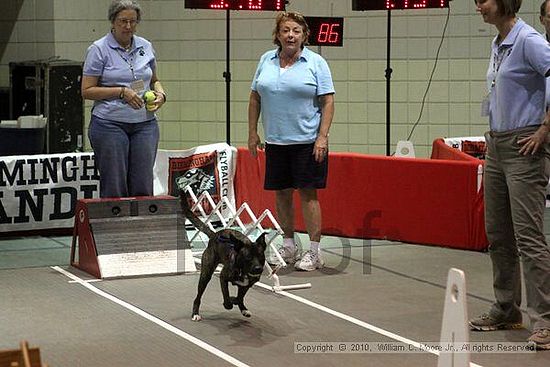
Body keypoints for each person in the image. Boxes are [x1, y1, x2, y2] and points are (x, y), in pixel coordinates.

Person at [470, 0, 550, 350]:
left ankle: (545, 319)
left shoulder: (530, 40)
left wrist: (545, 129)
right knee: (498, 234)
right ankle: (506, 308)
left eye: (482, 0)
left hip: (524, 145)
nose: (478, 7)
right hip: (498, 145)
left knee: (529, 238)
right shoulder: (498, 42)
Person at [247, 11, 335, 272]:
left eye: (296, 31)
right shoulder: (266, 60)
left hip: (307, 141)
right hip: (275, 141)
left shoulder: (316, 63)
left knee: (308, 195)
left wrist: (322, 137)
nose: (290, 35)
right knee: (282, 193)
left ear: (304, 35)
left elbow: (328, 101)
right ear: (278, 35)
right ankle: (288, 245)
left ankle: (315, 251)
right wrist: (252, 132)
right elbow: (255, 98)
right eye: (285, 30)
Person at [81, 0, 166, 198]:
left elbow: (155, 80)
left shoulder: (146, 46)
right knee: (115, 185)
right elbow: (86, 90)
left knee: (143, 183)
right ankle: (114, 227)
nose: (128, 26)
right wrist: (121, 91)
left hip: (145, 125)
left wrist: (162, 95)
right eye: (123, 21)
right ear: (113, 21)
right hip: (109, 124)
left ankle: (142, 227)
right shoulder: (99, 49)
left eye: (133, 22)